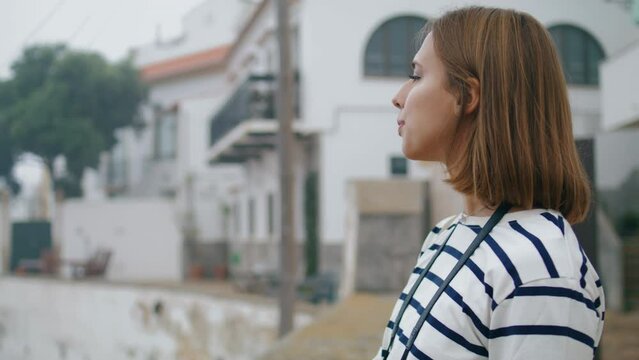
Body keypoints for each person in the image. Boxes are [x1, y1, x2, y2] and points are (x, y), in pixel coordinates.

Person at [375, 6, 604, 360]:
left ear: (467, 95)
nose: (399, 96)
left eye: (417, 76)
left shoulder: (540, 268)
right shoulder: (448, 232)